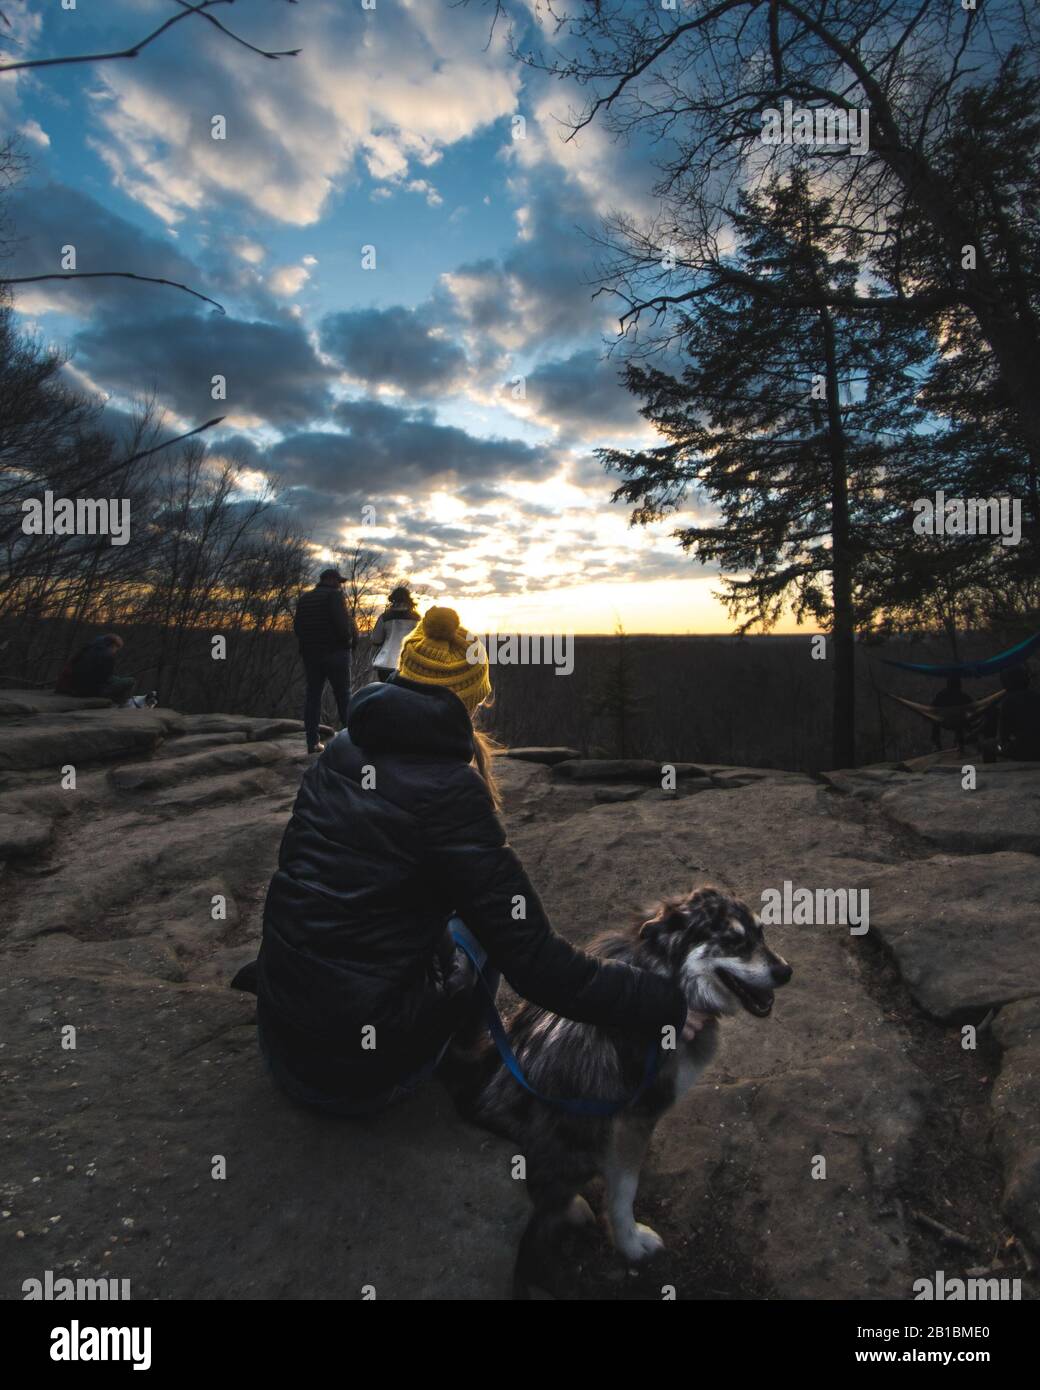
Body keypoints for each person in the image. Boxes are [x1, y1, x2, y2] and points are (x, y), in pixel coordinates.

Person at [254, 605, 704, 1118]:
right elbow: (537, 964)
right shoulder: (449, 792)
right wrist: (662, 1001)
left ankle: (439, 1034)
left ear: (401, 676)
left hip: (288, 1042)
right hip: (364, 1075)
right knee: (478, 920)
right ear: (474, 700)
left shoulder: (339, 749)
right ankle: (467, 1052)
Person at [293, 568, 359, 755]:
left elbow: (297, 627)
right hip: (336, 653)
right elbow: (342, 625)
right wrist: (347, 642)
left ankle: (312, 743)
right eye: (339, 581)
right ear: (331, 580)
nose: (340, 585)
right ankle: (352, 742)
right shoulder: (334, 596)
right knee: (344, 696)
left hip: (311, 655)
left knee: (313, 696)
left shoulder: (305, 599)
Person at [55, 634, 135, 705]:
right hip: (89, 690)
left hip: (74, 685)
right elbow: (104, 678)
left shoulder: (88, 648)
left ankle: (117, 701)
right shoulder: (107, 656)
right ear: (113, 645)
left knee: (116, 679)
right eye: (117, 649)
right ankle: (120, 704)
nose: (116, 651)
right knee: (130, 681)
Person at [370, 585, 420, 682]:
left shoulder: (385, 617)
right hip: (408, 664)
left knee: (386, 694)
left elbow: (376, 640)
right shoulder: (416, 618)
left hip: (386, 664)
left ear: (393, 600)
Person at [998, 665, 1040, 761]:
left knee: (989, 745)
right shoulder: (1037, 697)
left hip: (1021, 750)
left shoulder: (1008, 702)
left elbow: (1004, 735)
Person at [930, 673, 972, 750]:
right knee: (961, 719)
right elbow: (973, 706)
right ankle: (960, 742)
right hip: (956, 722)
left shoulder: (942, 695)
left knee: (936, 719)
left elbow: (932, 708)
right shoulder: (962, 696)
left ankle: (937, 742)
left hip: (946, 721)